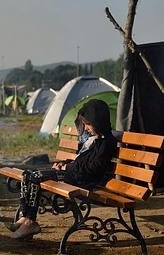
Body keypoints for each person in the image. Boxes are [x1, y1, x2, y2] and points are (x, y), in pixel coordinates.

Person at [9, 99, 117, 239]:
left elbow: (93, 169)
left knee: (35, 176)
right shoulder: (95, 139)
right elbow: (82, 161)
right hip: (74, 174)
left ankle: (30, 222)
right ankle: (25, 218)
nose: (86, 128)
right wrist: (65, 163)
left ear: (98, 122)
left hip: (83, 180)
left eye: (88, 124)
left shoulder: (106, 142)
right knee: (28, 174)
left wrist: (68, 167)